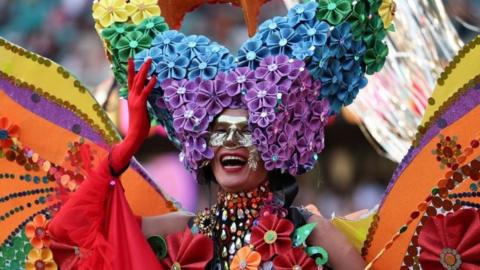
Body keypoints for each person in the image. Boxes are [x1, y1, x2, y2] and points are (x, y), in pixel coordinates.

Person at [48, 58, 365, 270]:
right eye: (219, 132)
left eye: (246, 132)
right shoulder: (184, 229)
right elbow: (74, 231)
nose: (230, 141)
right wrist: (127, 147)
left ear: (273, 148)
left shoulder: (308, 230)